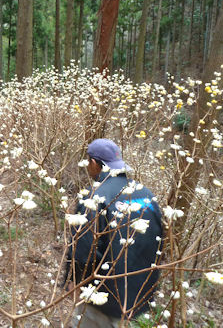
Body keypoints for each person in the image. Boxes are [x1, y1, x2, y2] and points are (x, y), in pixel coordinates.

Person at [65, 139, 163, 328]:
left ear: (94, 163)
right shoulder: (147, 195)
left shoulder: (94, 196)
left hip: (103, 300)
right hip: (140, 297)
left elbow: (84, 251)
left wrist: (76, 284)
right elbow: (159, 240)